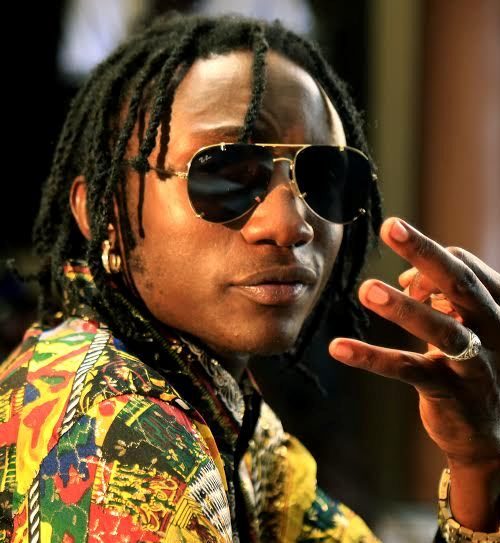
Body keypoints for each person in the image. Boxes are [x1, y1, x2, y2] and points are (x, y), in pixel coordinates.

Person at [0, 12, 498, 543]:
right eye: (225, 175)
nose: (290, 225)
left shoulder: (214, 398)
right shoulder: (114, 438)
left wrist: (476, 464)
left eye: (324, 178)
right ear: (103, 212)